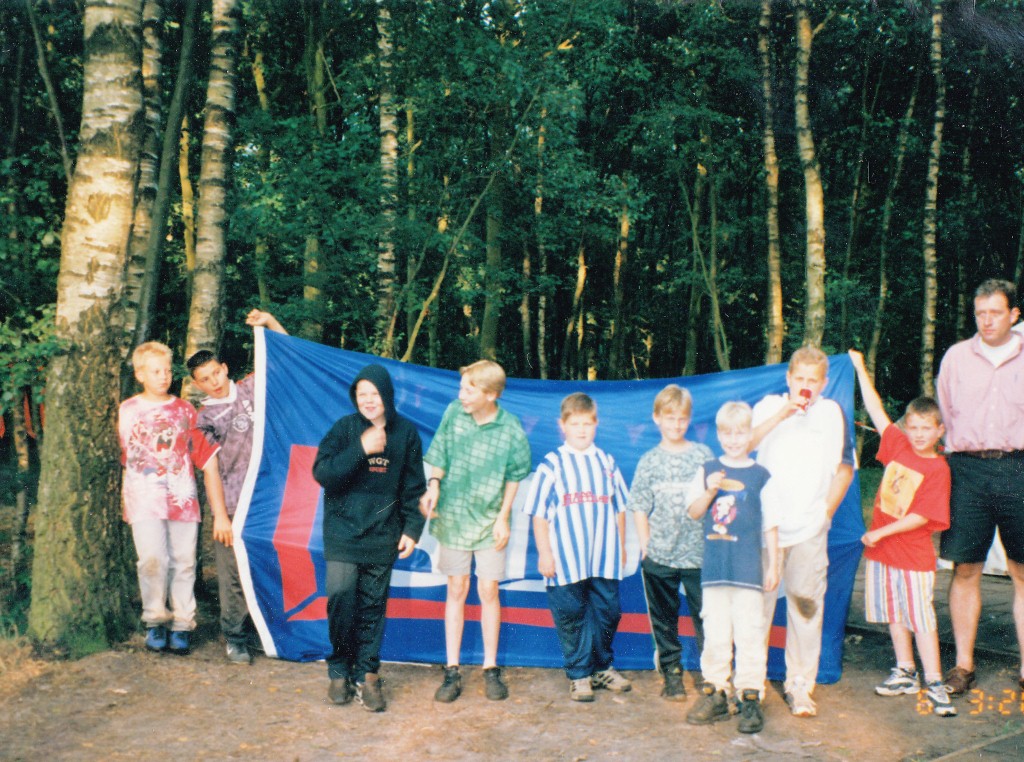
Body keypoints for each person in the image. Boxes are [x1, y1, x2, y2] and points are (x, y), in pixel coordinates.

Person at [311, 363, 426, 712]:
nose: (368, 400)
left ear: (386, 395)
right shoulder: (344, 429)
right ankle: (339, 669)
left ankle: (367, 674)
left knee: (373, 606)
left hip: (382, 534)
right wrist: (361, 447)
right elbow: (323, 474)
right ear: (355, 398)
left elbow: (413, 488)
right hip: (343, 533)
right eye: (362, 394)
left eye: (374, 393)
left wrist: (412, 530)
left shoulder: (406, 434)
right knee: (341, 598)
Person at [848, 349, 956, 717]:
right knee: (894, 614)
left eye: (927, 428)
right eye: (914, 427)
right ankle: (906, 671)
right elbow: (876, 409)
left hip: (912, 556)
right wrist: (860, 368)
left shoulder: (938, 468)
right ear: (906, 427)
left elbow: (922, 517)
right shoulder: (897, 444)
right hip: (883, 554)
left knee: (920, 618)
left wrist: (881, 533)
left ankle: (935, 681)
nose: (919, 435)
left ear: (940, 431)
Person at [419, 360, 532, 703]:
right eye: (461, 388)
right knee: (457, 587)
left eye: (469, 390)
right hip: (453, 517)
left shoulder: (510, 428)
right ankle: (452, 669)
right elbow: (439, 454)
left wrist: (503, 517)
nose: (461, 395)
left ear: (491, 394)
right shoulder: (454, 413)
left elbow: (514, 476)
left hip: (489, 522)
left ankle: (490, 667)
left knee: (488, 590)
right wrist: (434, 484)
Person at [751, 346, 854, 717]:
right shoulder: (767, 406)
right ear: (788, 378)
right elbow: (745, 444)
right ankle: (750, 683)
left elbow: (844, 469)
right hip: (766, 527)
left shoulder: (831, 413)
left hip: (810, 527)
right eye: (800, 378)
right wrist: (784, 413)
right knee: (757, 608)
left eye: (813, 380)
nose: (806, 386)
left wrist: (824, 514)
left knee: (805, 606)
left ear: (824, 383)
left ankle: (799, 684)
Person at [937, 278, 1024, 696]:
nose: (987, 321)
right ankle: (963, 666)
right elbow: (945, 412)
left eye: (995, 312)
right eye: (980, 313)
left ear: (1014, 314)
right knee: (966, 568)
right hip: (966, 472)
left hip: (1019, 468)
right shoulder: (956, 357)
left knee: (1022, 571)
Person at [187, 309, 287, 664]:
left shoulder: (250, 389)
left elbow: (286, 356)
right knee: (231, 573)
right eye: (205, 379)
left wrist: (269, 321)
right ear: (198, 385)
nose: (213, 381)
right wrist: (220, 516)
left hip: (269, 498)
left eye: (216, 372)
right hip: (232, 504)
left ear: (225, 368)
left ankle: (268, 631)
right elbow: (210, 470)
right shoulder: (203, 420)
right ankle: (235, 637)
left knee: (267, 565)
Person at [524, 392, 632, 702]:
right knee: (571, 614)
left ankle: (602, 667)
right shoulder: (552, 464)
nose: (582, 430)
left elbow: (619, 508)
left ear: (596, 424)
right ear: (563, 426)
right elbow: (539, 514)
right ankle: (579, 674)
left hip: (603, 555)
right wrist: (545, 553)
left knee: (608, 612)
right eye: (575, 424)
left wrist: (621, 545)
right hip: (566, 559)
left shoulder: (606, 462)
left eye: (587, 424)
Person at [119, 341, 223, 656]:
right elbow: (127, 455)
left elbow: (199, 451)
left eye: (166, 370)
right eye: (155, 371)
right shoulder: (129, 410)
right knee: (151, 559)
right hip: (144, 497)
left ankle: (182, 623)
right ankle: (155, 619)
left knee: (184, 561)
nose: (163, 376)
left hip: (181, 497)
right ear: (140, 374)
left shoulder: (185, 410)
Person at [685, 401, 778, 734]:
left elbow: (771, 525)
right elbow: (694, 511)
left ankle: (750, 696)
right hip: (716, 569)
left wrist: (774, 565)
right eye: (727, 433)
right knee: (715, 633)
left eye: (740, 433)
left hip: (748, 570)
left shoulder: (761, 475)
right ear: (719, 434)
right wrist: (710, 488)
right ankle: (716, 692)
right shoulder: (707, 469)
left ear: (750, 434)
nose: (734, 440)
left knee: (751, 633)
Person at [627, 384, 712, 700]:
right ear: (657, 418)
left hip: (699, 555)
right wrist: (645, 543)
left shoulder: (703, 455)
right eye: (670, 418)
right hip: (660, 554)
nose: (676, 425)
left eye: (682, 419)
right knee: (664, 620)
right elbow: (639, 504)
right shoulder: (649, 460)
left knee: (708, 619)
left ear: (689, 419)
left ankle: (713, 676)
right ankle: (672, 673)